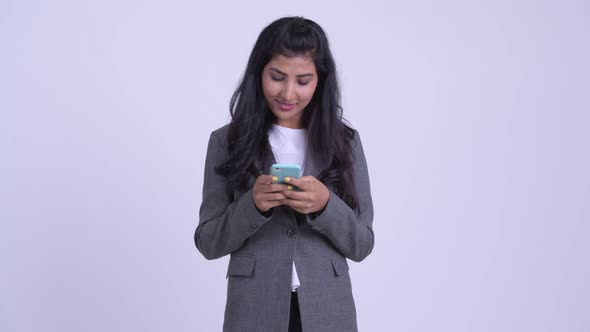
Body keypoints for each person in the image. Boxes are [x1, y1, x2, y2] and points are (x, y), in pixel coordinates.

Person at [194, 16, 374, 332]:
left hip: (328, 310)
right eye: (277, 77)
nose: (288, 93)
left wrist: (325, 205)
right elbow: (208, 242)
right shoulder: (226, 141)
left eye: (303, 81)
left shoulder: (345, 142)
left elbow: (362, 244)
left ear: (320, 81)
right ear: (259, 73)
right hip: (253, 308)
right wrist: (253, 205)